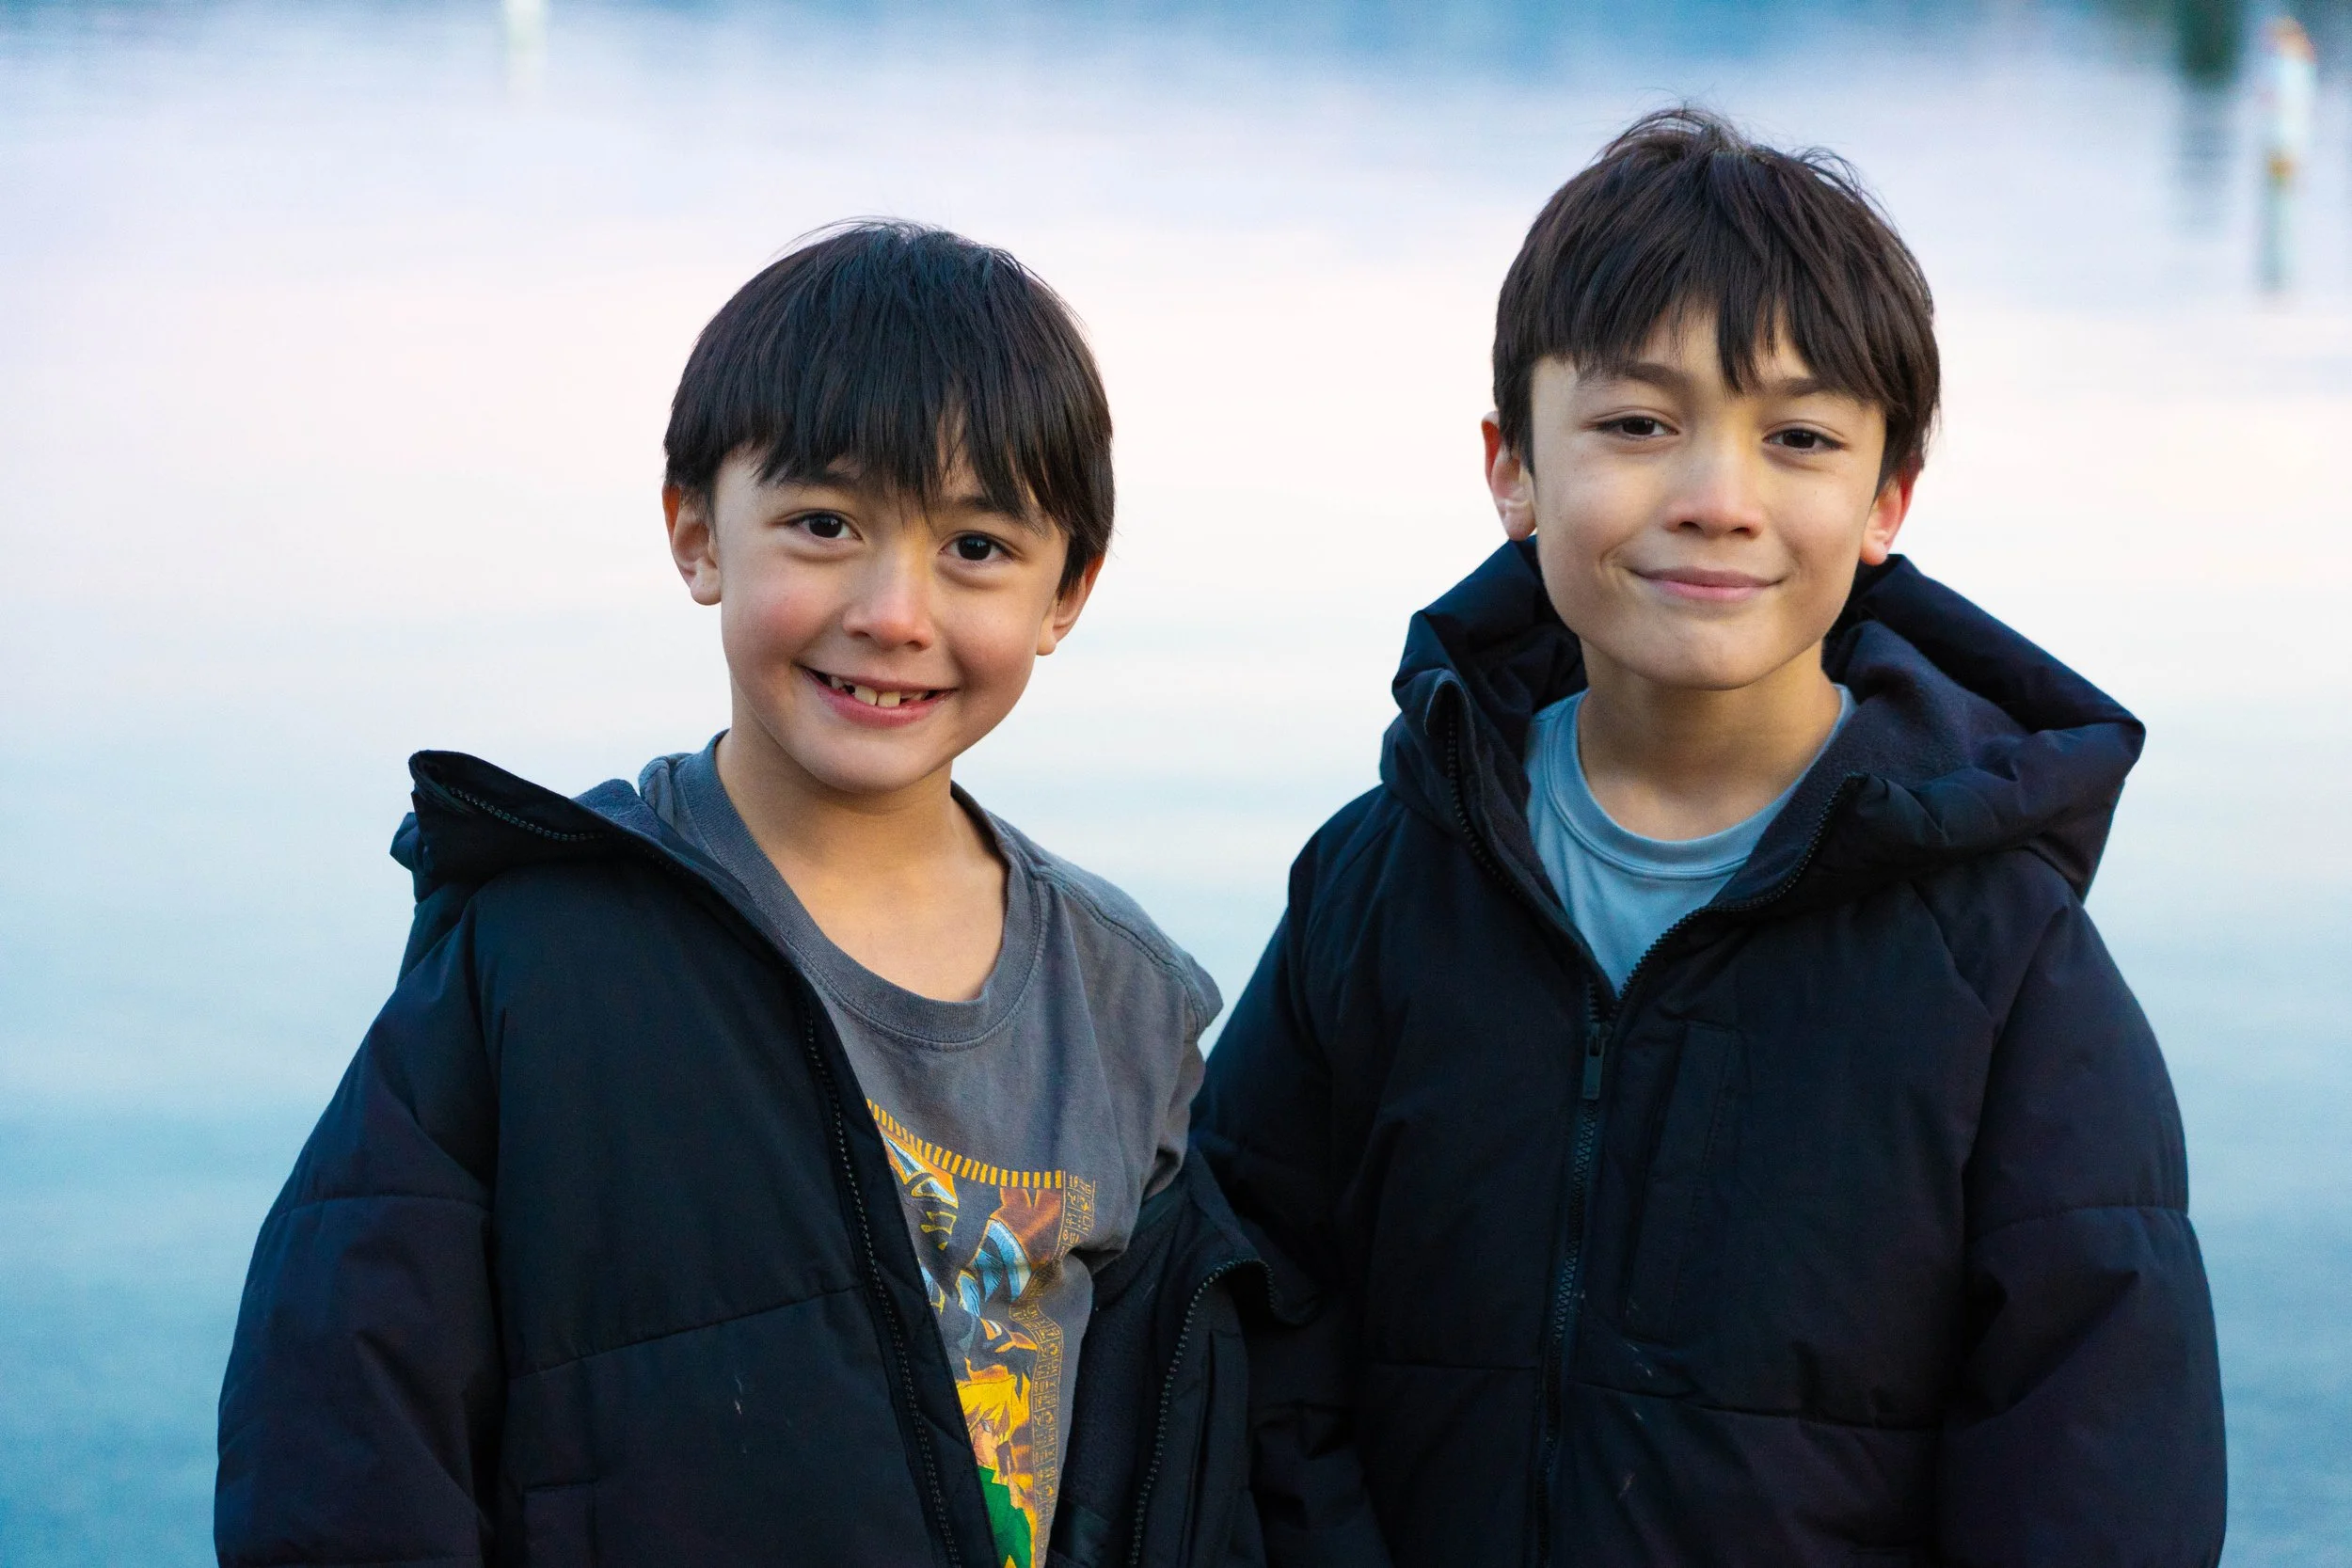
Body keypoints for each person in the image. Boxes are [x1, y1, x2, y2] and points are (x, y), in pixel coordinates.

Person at [1195, 109, 2226, 1566]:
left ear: (1888, 500)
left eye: (1798, 438)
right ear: (1512, 470)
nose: (1717, 500)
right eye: (1636, 424)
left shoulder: (2001, 956)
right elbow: (1250, 1304)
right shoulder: (1383, 880)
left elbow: (2096, 1442)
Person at [216, 222, 1266, 1568]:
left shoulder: (1125, 1002)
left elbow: (1172, 1459)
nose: (895, 610)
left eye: (979, 547)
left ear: (1068, 591)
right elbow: (348, 1422)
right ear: (697, 534)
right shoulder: (545, 950)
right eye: (825, 525)